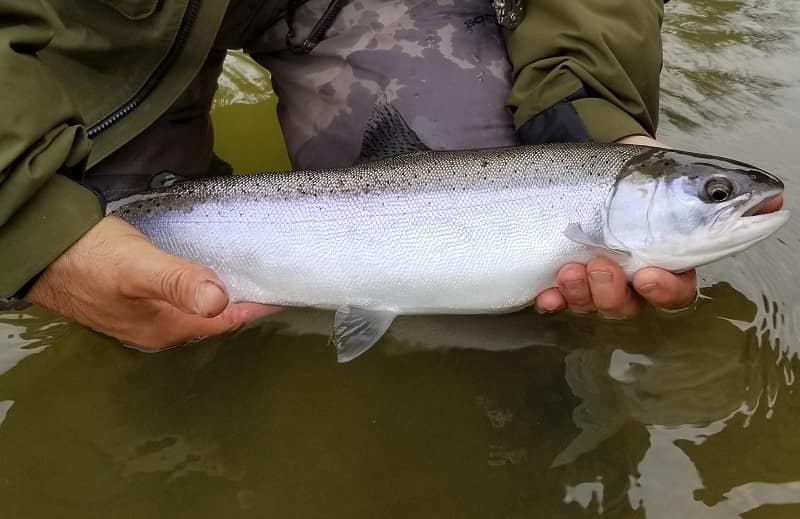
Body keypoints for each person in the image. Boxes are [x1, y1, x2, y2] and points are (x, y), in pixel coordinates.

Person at [0, 0, 706, 349]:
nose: (739, 202)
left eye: (713, 193)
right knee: (113, 275)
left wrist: (587, 110)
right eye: (714, 193)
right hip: (77, 25)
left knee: (499, 236)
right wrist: (33, 223)